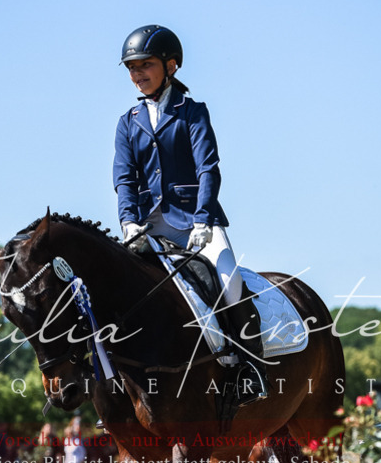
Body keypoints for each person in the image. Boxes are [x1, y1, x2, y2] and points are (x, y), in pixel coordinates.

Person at [113, 24, 266, 404]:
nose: (137, 74)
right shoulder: (127, 121)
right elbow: (124, 178)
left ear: (172, 65)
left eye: (145, 65)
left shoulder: (192, 112)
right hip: (147, 226)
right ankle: (112, 384)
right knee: (116, 290)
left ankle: (247, 367)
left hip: (196, 221)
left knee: (229, 282)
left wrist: (203, 219)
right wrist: (128, 220)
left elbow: (207, 169)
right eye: (131, 68)